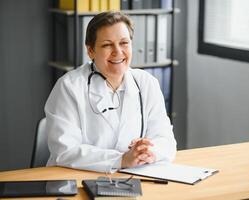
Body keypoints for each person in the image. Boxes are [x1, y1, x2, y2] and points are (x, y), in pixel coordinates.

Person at [45, 11, 177, 173]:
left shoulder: (147, 83)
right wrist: (121, 159)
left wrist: (147, 151)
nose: (118, 51)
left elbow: (166, 140)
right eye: (107, 45)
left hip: (133, 176)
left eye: (124, 43)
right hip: (76, 178)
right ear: (91, 50)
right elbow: (64, 151)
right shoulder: (69, 87)